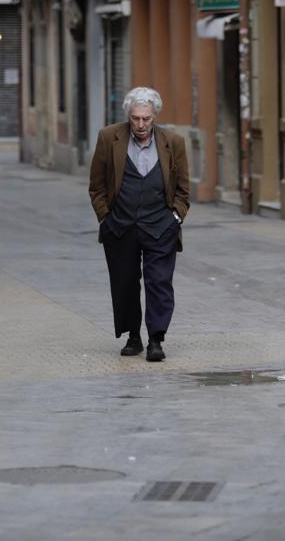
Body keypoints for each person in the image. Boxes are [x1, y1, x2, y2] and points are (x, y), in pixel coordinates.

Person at [88, 87, 190, 362]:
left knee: (159, 283)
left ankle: (156, 338)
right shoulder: (109, 138)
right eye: (135, 118)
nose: (141, 125)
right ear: (128, 117)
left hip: (160, 227)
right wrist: (105, 218)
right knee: (125, 283)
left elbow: (183, 190)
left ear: (155, 116)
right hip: (120, 226)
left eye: (146, 118)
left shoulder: (173, 142)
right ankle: (133, 336)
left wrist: (175, 218)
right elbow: (96, 186)